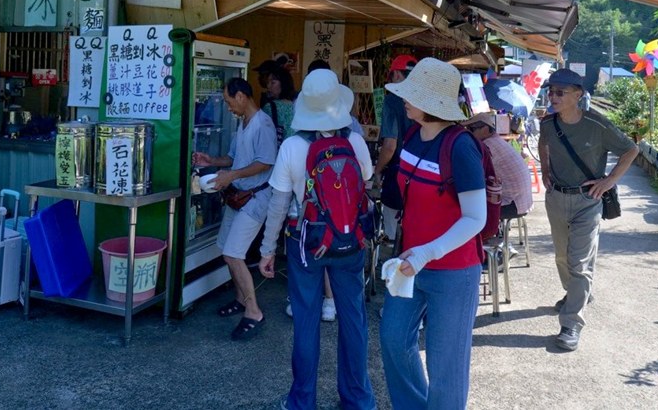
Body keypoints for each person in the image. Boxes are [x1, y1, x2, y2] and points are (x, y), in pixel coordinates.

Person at [258, 69, 376, 410]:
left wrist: (267, 250)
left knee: (306, 322)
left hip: (305, 242)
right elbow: (364, 182)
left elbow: (279, 205)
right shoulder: (353, 141)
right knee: (352, 319)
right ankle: (358, 400)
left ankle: (301, 401)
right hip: (349, 240)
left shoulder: (293, 146)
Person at [378, 58, 487, 410]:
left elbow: (476, 218)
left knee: (446, 365)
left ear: (430, 103)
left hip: (453, 271)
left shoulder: (460, 146)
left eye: (412, 94)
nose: (404, 99)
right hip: (410, 265)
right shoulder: (412, 135)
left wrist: (427, 252)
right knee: (393, 339)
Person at [538, 68, 638, 351]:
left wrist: (608, 182)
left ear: (578, 95)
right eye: (551, 91)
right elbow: (543, 144)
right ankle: (576, 294)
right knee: (561, 256)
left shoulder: (598, 125)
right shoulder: (548, 124)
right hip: (557, 197)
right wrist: (545, 170)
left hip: (587, 201)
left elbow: (631, 150)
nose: (553, 96)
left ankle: (571, 322)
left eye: (560, 92)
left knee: (579, 262)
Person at [192, 77, 277, 341]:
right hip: (238, 195)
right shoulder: (243, 123)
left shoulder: (263, 124)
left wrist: (231, 175)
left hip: (255, 198)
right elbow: (232, 157)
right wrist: (212, 161)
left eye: (229, 101)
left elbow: (265, 162)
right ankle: (241, 299)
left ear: (241, 96)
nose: (228, 107)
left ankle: (253, 312)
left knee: (233, 254)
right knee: (226, 247)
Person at [371, 54, 417, 243]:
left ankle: (394, 267)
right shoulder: (424, 100)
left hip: (399, 173)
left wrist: (378, 170)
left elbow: (390, 145)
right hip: (423, 173)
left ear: (397, 74)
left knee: (393, 234)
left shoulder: (392, 101)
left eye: (391, 75)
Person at [468, 112, 533, 221]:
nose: (469, 133)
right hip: (523, 201)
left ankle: (483, 237)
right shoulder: (496, 141)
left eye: (471, 129)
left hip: (513, 203)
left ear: (484, 128)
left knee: (469, 210)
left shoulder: (488, 145)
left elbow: (475, 174)